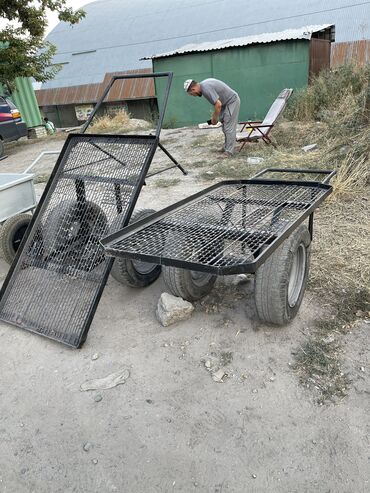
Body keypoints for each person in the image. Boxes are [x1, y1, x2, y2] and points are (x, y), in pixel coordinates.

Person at [184, 78, 240, 157]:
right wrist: (215, 118)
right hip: (225, 103)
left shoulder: (206, 88)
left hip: (231, 102)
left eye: (192, 94)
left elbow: (218, 105)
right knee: (225, 126)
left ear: (193, 89)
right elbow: (219, 104)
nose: (194, 96)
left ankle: (229, 152)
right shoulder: (204, 86)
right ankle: (226, 147)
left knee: (228, 127)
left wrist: (214, 118)